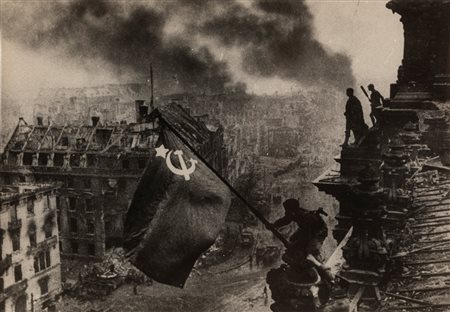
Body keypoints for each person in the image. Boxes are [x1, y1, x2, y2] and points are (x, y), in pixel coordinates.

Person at [273, 199, 333, 283]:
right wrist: (274, 225)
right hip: (306, 229)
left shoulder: (305, 217)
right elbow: (286, 219)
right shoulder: (293, 213)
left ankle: (326, 274)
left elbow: (306, 237)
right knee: (293, 239)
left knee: (310, 251)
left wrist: (295, 245)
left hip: (318, 232)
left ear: (292, 209)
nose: (286, 212)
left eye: (287, 209)